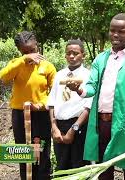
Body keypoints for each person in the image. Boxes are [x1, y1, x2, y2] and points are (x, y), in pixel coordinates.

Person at [67, 13, 125, 180]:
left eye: (122, 31)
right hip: (101, 123)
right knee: (103, 169)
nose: (115, 35)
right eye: (112, 30)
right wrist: (80, 90)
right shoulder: (101, 58)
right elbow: (92, 85)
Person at [0, 31, 56, 179]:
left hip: (41, 113)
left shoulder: (47, 66)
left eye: (32, 50)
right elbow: (3, 77)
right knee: (23, 151)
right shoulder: (16, 64)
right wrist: (23, 59)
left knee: (41, 150)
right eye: (25, 52)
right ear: (20, 51)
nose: (30, 54)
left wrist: (41, 105)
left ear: (37, 45)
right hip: (20, 114)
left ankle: (42, 177)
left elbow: (54, 92)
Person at [47, 39, 92, 171]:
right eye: (68, 53)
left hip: (78, 126)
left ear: (83, 55)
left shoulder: (88, 76)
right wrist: (54, 127)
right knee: (62, 166)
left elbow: (88, 107)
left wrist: (73, 130)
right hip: (59, 127)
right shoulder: (59, 75)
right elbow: (51, 103)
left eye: (75, 53)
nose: (71, 56)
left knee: (78, 167)